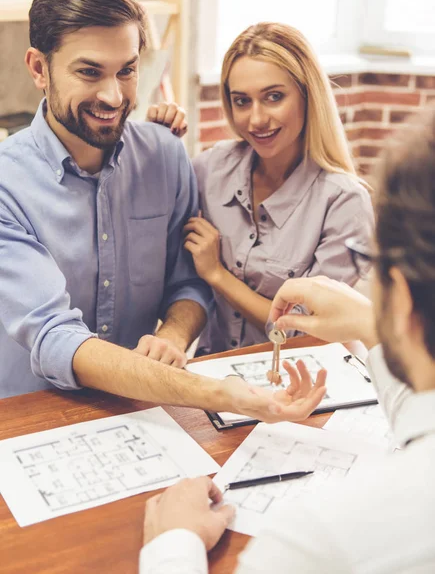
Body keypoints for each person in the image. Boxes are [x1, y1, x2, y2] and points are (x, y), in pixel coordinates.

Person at [0, 0, 328, 425]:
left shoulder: (166, 156)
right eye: (89, 71)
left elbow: (188, 285)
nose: (113, 96)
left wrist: (174, 335)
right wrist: (217, 393)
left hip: (140, 414)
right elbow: (55, 337)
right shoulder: (6, 184)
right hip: (28, 417)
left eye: (127, 70)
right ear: (39, 68)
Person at [139, 109, 435, 573]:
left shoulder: (323, 539)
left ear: (398, 297)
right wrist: (370, 324)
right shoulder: (211, 167)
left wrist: (173, 544)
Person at [147, 22, 374, 355]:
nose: (256, 120)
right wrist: (159, 143)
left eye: (274, 97)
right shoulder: (210, 169)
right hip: (214, 378)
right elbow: (150, 233)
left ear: (307, 95)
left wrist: (217, 274)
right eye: (242, 101)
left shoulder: (344, 202)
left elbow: (302, 330)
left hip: (305, 380)